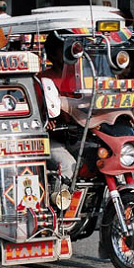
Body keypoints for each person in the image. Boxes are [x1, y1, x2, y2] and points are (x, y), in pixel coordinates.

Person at [40, 32, 77, 181]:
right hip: (50, 138)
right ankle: (62, 203)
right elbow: (36, 109)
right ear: (53, 54)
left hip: (77, 135)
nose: (69, 53)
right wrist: (46, 119)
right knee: (68, 165)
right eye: (64, 49)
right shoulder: (42, 78)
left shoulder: (81, 77)